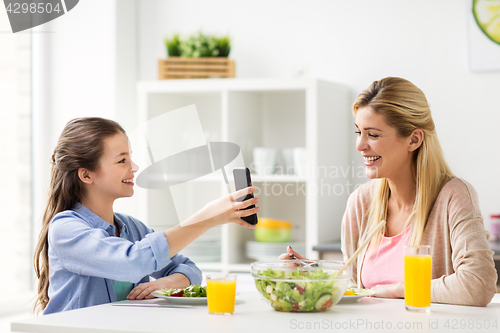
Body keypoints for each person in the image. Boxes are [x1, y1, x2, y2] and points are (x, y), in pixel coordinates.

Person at [280, 77, 497, 306]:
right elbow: (356, 291)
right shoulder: (360, 203)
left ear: (413, 139)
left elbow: (478, 284)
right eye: (358, 132)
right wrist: (313, 273)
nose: (360, 145)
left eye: (372, 135)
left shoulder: (454, 197)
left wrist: (400, 290)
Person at [33, 117, 260, 314]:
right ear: (86, 175)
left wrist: (166, 283)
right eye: (122, 160)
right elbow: (133, 262)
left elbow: (189, 269)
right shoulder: (66, 230)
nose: (134, 167)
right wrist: (207, 218)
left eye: (130, 158)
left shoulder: (131, 227)